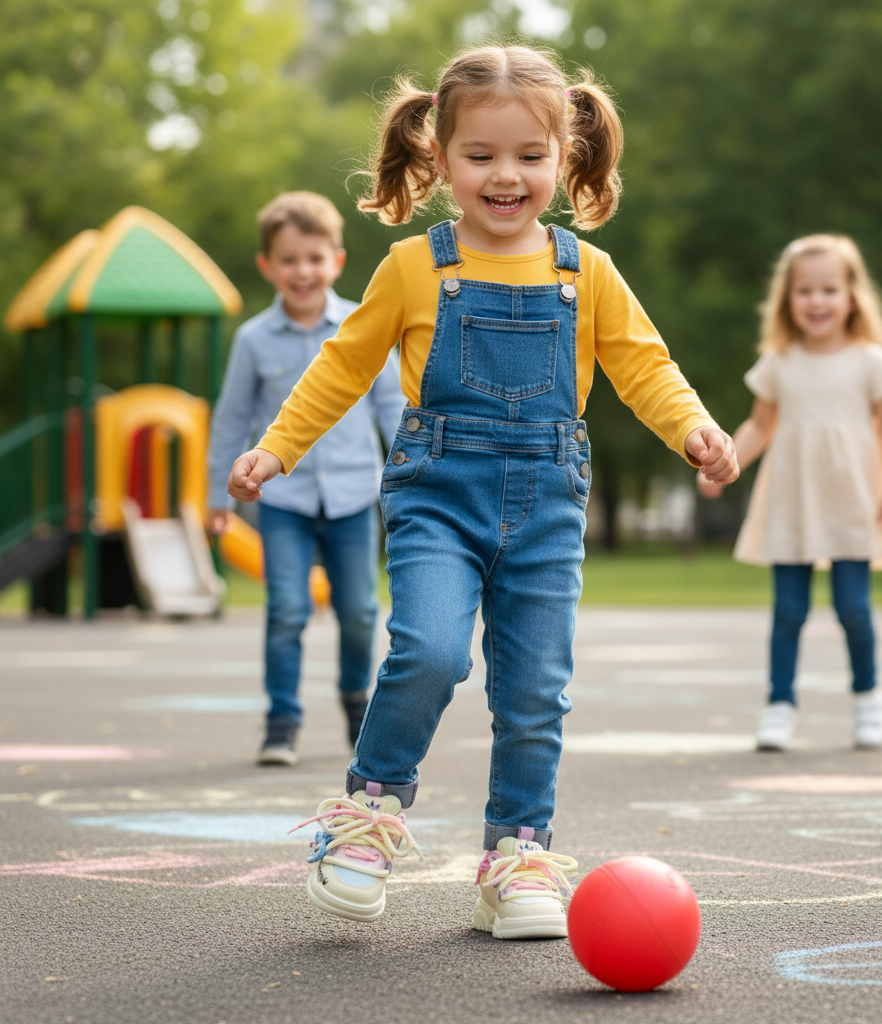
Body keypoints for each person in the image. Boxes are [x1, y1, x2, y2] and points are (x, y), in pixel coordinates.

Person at [228, 46, 738, 939]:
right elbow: (340, 369)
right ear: (440, 159)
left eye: (530, 157)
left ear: (565, 158)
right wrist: (276, 449)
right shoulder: (413, 267)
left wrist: (693, 428)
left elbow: (644, 367)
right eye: (481, 156)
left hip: (548, 506)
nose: (506, 176)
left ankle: (517, 854)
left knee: (535, 691)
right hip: (438, 495)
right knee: (428, 650)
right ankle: (368, 817)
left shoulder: (588, 272)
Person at [698, 234, 882, 752]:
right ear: (787, 300)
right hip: (793, 501)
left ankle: (869, 698)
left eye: (828, 289)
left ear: (851, 296)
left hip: (852, 501)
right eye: (805, 291)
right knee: (789, 612)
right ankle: (779, 705)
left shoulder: (871, 360)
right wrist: (721, 465)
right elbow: (758, 427)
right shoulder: (780, 362)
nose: (817, 301)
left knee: (853, 608)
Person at [208, 191, 405, 767]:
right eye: (289, 260)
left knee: (360, 610)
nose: (303, 271)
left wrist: (412, 475)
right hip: (284, 499)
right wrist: (214, 494)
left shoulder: (362, 326)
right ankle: (282, 720)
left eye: (314, 258)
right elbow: (231, 421)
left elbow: (392, 408)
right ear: (267, 266)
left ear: (337, 261)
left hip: (352, 495)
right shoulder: (252, 340)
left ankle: (354, 702)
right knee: (287, 609)